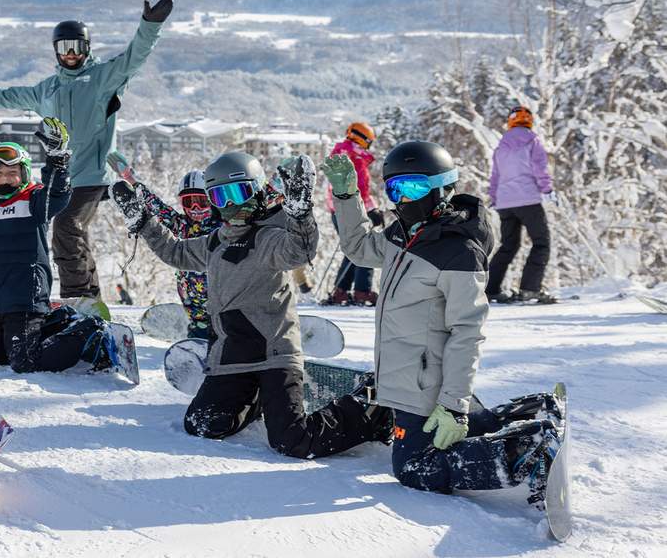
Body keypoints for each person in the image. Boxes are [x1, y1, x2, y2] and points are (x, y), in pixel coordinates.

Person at [324, 142, 563, 506]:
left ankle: (526, 454)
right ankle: (531, 411)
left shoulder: (458, 251)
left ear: (442, 188)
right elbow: (358, 249)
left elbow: (467, 333)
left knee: (414, 467)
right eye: (395, 188)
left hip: (426, 387)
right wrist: (346, 196)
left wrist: (452, 405)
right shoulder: (400, 236)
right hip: (411, 377)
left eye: (415, 187)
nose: (404, 199)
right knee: (459, 432)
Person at [118, 150, 390, 456]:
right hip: (232, 355)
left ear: (257, 191)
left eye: (239, 192)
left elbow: (300, 251)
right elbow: (176, 253)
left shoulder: (269, 237)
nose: (231, 204)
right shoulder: (216, 241)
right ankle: (259, 399)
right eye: (221, 197)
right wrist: (144, 224)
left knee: (293, 440)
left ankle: (371, 411)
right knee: (202, 424)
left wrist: (300, 213)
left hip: (274, 354)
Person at [0, 0, 173, 306]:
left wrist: (150, 25)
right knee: (60, 234)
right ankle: (88, 294)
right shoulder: (47, 89)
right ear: (56, 51)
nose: (71, 54)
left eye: (76, 47)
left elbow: (133, 58)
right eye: (64, 48)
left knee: (67, 227)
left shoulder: (101, 78)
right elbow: (11, 97)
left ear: (86, 48)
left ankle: (79, 297)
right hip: (61, 177)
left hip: (94, 174)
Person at [0, 119, 118, 374]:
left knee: (25, 362)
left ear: (24, 174)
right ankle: (61, 320)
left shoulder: (34, 201)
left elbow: (58, 194)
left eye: (12, 173)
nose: (5, 179)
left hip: (25, 298)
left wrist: (56, 160)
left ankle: (92, 332)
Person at [112, 169, 220, 339]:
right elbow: (158, 208)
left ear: (213, 200)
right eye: (189, 202)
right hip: (192, 307)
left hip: (219, 308)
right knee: (198, 342)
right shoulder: (182, 224)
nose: (195, 208)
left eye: (201, 201)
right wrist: (134, 184)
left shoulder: (221, 228)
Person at [486, 106, 556, 304]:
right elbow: (539, 169)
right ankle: (530, 289)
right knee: (541, 242)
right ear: (529, 122)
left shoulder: (501, 147)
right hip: (528, 200)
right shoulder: (532, 141)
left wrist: (494, 197)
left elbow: (495, 176)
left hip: (505, 202)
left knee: (509, 245)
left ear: (510, 122)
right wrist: (547, 190)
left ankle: (490, 289)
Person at [324, 122, 383, 306]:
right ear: (364, 139)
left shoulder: (341, 154)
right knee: (365, 245)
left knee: (353, 246)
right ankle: (362, 291)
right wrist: (372, 210)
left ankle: (342, 290)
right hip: (352, 209)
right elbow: (360, 189)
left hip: (338, 209)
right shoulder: (354, 157)